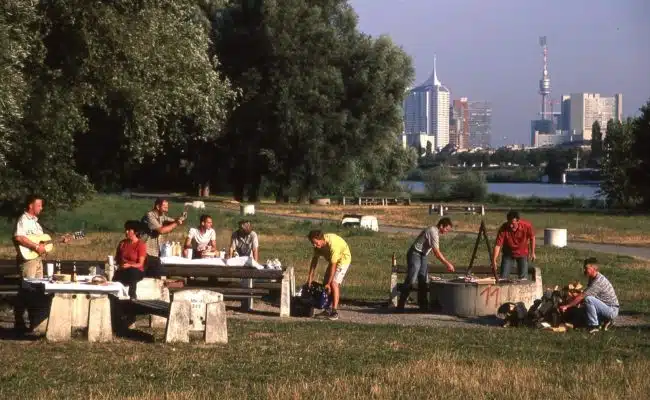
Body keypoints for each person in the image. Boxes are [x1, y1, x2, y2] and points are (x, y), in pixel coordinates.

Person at [12, 195, 52, 332]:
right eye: (39, 205)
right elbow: (18, 237)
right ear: (31, 206)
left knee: (38, 291)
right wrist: (36, 247)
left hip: (37, 260)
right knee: (26, 290)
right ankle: (19, 321)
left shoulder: (36, 223)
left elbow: (42, 242)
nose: (41, 208)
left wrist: (43, 249)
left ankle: (35, 321)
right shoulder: (23, 220)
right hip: (28, 260)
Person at [396, 217, 455, 312]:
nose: (447, 231)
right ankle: (401, 305)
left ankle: (423, 306)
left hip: (423, 255)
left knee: (423, 279)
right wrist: (447, 264)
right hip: (415, 253)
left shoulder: (436, 233)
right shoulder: (433, 231)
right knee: (412, 277)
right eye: (446, 229)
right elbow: (436, 252)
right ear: (441, 226)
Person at [559, 257, 619, 333]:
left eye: (586, 268)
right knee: (581, 311)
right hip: (603, 307)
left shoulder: (598, 281)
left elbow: (582, 296)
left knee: (588, 299)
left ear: (593, 268)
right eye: (584, 268)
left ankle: (594, 326)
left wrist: (567, 306)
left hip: (611, 310)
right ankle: (604, 321)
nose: (584, 270)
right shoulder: (592, 277)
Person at [306, 230, 352, 321]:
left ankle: (334, 312)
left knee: (334, 283)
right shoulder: (317, 247)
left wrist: (329, 283)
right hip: (333, 261)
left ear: (321, 239)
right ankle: (327, 309)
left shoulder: (333, 245)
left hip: (343, 259)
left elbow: (334, 266)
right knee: (325, 284)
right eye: (312, 243)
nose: (314, 245)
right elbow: (314, 262)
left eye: (315, 243)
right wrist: (310, 278)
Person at [140, 198, 185, 276]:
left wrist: (181, 218)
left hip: (154, 252)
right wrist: (176, 223)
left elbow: (171, 220)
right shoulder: (150, 215)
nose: (166, 210)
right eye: (164, 207)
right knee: (146, 275)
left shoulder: (161, 216)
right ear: (158, 206)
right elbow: (161, 230)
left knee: (156, 275)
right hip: (145, 251)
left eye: (167, 208)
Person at [491, 210, 536, 280]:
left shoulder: (527, 226)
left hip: (522, 252)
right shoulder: (503, 228)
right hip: (508, 253)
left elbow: (532, 238)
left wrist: (533, 253)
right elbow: (498, 245)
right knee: (503, 277)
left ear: (518, 221)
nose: (511, 226)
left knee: (523, 278)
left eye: (513, 223)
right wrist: (494, 259)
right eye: (509, 223)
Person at [113, 220, 147, 299]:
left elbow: (140, 264)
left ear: (135, 232)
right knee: (115, 276)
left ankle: (132, 295)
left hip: (136, 270)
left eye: (129, 230)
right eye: (126, 229)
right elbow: (117, 259)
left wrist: (130, 265)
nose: (126, 231)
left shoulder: (140, 245)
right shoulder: (122, 243)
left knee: (132, 272)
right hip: (123, 269)